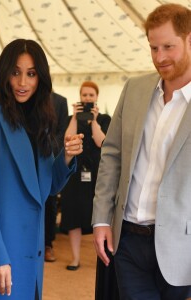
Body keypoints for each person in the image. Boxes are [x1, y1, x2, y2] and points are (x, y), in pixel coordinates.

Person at [0, 38, 84, 300]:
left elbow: (48, 188)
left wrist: (66, 158)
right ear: (4, 73)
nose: (23, 82)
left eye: (31, 74)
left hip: (30, 252)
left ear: (41, 78)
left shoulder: (40, 121)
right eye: (15, 73)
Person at [92, 3, 191, 300]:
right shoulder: (134, 88)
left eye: (168, 47)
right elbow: (111, 154)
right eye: (153, 48)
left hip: (182, 248)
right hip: (128, 242)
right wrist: (100, 220)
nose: (159, 57)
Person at [60, 81, 111, 271]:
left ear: (97, 97)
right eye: (85, 95)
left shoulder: (105, 119)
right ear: (80, 97)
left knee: (101, 213)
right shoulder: (70, 119)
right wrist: (75, 118)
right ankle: (75, 258)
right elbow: (67, 139)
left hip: (98, 174)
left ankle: (103, 258)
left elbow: (101, 142)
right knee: (73, 213)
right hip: (74, 173)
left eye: (91, 95)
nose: (88, 98)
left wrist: (94, 122)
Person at [44, 92, 69, 262]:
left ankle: (48, 244)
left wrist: (51, 147)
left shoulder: (60, 100)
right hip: (28, 155)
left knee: (50, 201)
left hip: (50, 155)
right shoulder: (26, 96)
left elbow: (62, 131)